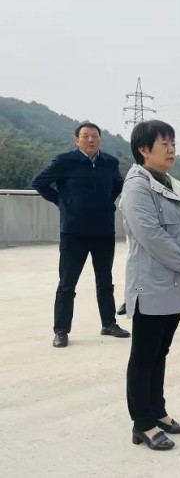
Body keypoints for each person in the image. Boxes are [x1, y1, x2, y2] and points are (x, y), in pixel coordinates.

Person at [120, 120, 180, 451]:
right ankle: (142, 423)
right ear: (144, 150)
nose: (171, 150)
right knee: (144, 355)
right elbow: (151, 235)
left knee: (160, 352)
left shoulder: (172, 183)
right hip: (152, 284)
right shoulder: (137, 188)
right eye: (164, 144)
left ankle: (158, 411)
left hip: (175, 281)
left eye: (173, 143)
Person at [30, 122, 130, 347]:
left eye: (94, 136)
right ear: (77, 140)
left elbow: (118, 184)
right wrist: (62, 202)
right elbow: (38, 182)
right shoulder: (65, 161)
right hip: (73, 232)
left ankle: (109, 323)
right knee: (67, 283)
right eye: (85, 136)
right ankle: (61, 330)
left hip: (103, 231)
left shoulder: (110, 163)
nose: (90, 140)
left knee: (105, 281)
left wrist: (107, 204)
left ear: (100, 140)